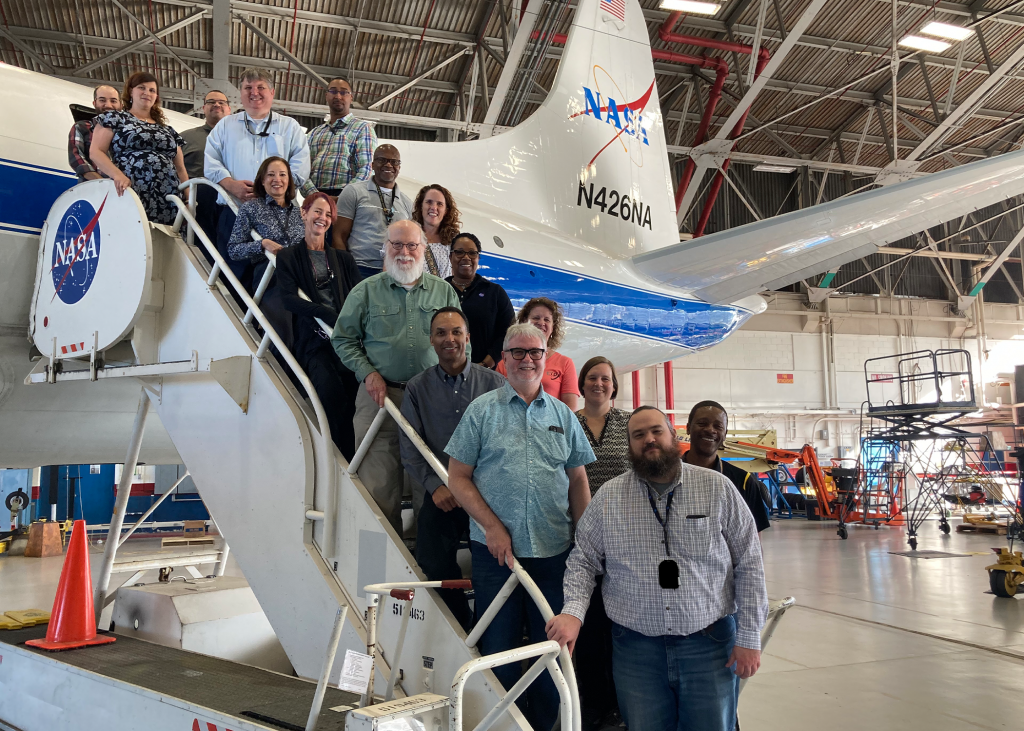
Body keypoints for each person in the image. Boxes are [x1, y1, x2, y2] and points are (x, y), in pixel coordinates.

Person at [546, 406, 769, 731]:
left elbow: (750, 563)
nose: (648, 439)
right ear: (630, 446)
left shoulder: (717, 489)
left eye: (656, 431)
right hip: (636, 650)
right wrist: (573, 612)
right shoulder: (608, 498)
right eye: (638, 435)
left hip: (708, 644)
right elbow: (583, 560)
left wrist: (749, 636)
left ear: (674, 436)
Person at [446, 322, 594, 731]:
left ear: (546, 360)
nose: (527, 359)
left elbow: (578, 479)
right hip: (497, 557)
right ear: (504, 356)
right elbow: (456, 477)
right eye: (518, 352)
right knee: (499, 651)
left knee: (553, 655)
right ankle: (502, 725)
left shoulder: (564, 415)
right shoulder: (482, 411)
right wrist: (492, 527)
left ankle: (545, 726)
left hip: (554, 553)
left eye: (535, 352)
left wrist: (584, 540)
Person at [331, 219, 461, 534]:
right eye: (397, 244)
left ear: (423, 248)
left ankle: (425, 564)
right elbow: (342, 339)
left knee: (432, 487)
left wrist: (453, 392)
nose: (404, 251)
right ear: (385, 248)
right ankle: (384, 564)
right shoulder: (365, 291)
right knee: (378, 488)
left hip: (432, 402)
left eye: (411, 245)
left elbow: (460, 345)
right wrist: (368, 373)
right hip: (380, 398)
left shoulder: (444, 291)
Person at [398, 306, 505, 629]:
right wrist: (434, 485)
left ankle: (494, 630)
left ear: (468, 338)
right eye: (441, 333)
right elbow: (410, 446)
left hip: (486, 496)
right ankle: (463, 625)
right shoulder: (417, 388)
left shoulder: (496, 384)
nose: (450, 339)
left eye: (456, 332)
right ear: (431, 340)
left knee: (493, 563)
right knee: (430, 559)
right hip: (443, 494)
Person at [277, 192, 362, 460]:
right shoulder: (289, 256)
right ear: (304, 213)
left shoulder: (343, 259)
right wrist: (324, 312)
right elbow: (289, 300)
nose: (322, 218)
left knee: (354, 401)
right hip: (314, 342)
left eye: (328, 215)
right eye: (317, 211)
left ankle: (351, 461)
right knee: (330, 395)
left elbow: (359, 296)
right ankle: (339, 459)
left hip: (346, 341)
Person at [205, 68, 310, 279]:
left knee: (276, 279)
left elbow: (300, 168)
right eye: (248, 88)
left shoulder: (290, 128)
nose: (254, 92)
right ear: (241, 93)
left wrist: (273, 193)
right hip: (233, 211)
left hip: (280, 215)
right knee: (231, 275)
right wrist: (229, 183)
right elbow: (210, 161)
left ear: (272, 92)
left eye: (261, 87)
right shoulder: (225, 126)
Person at [572, 356, 630, 729]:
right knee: (589, 619)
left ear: (614, 385)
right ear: (582, 382)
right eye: (592, 377)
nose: (599, 383)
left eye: (605, 378)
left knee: (621, 619)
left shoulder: (629, 423)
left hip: (626, 533)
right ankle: (591, 704)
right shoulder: (568, 422)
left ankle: (621, 701)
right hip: (580, 531)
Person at [90, 72, 187, 225]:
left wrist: (187, 200)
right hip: (131, 190)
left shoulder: (168, 130)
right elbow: (96, 152)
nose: (147, 93)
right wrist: (117, 175)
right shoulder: (115, 118)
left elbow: (180, 168)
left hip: (167, 196)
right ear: (130, 91)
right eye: (141, 88)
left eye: (152, 90)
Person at [683, 400, 772, 533]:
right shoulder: (667, 476)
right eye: (702, 423)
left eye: (718, 426)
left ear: (725, 433)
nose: (710, 430)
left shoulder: (744, 482)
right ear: (688, 428)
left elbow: (753, 541)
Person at [334, 144, 413, 279]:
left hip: (395, 271)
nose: (388, 165)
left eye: (394, 162)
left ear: (399, 167)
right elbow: (338, 235)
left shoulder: (407, 203)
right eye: (382, 160)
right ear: (372, 164)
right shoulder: (353, 192)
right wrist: (344, 269)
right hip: (359, 268)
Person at [227, 156, 306, 289]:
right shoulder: (251, 208)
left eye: (282, 175)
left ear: (289, 180)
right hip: (270, 276)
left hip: (302, 274)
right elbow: (233, 250)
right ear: (262, 180)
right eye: (271, 175)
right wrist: (262, 244)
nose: (277, 179)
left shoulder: (299, 212)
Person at [445, 233, 514, 369]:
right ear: (450, 257)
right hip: (443, 373)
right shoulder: (439, 290)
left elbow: (508, 333)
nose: (466, 257)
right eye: (459, 252)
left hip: (483, 374)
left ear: (478, 258)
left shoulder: (495, 292)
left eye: (472, 253)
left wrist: (485, 364)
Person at [497, 297, 579, 409]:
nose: (541, 323)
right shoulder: (504, 363)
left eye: (547, 320)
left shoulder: (565, 363)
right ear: (524, 322)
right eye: (536, 318)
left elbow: (570, 410)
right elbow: (497, 401)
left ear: (553, 327)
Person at [303, 77, 377, 198]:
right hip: (314, 200)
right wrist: (314, 196)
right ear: (326, 96)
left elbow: (366, 169)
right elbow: (303, 170)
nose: (338, 96)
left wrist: (342, 198)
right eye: (333, 91)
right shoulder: (314, 133)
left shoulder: (363, 128)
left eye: (343, 92)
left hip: (347, 200)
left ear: (351, 97)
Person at [180, 90, 231, 249]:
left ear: (229, 109)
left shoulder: (241, 141)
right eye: (211, 102)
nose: (216, 105)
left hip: (230, 201)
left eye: (221, 102)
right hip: (198, 201)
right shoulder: (184, 138)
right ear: (203, 108)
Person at [68, 84, 122, 180]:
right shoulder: (82, 127)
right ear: (94, 103)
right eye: (102, 100)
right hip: (93, 189)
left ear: (121, 105)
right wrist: (102, 184)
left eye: (113, 101)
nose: (108, 105)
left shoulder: (127, 133)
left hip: (126, 190)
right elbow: (77, 159)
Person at [412, 184, 459, 279]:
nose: (434, 207)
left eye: (439, 204)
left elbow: (457, 279)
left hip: (442, 293)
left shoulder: (454, 241)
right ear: (421, 206)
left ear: (445, 210)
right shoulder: (407, 235)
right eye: (429, 202)